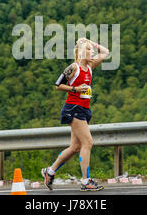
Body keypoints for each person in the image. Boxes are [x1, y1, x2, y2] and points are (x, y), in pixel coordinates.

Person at [41, 37, 109, 191]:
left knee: (75, 147)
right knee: (88, 143)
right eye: (88, 49)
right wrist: (75, 89)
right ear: (80, 52)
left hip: (84, 109)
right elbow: (58, 85)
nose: (91, 51)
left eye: (91, 50)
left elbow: (105, 52)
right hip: (73, 109)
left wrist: (90, 42)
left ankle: (49, 171)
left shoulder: (90, 66)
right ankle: (86, 181)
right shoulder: (74, 67)